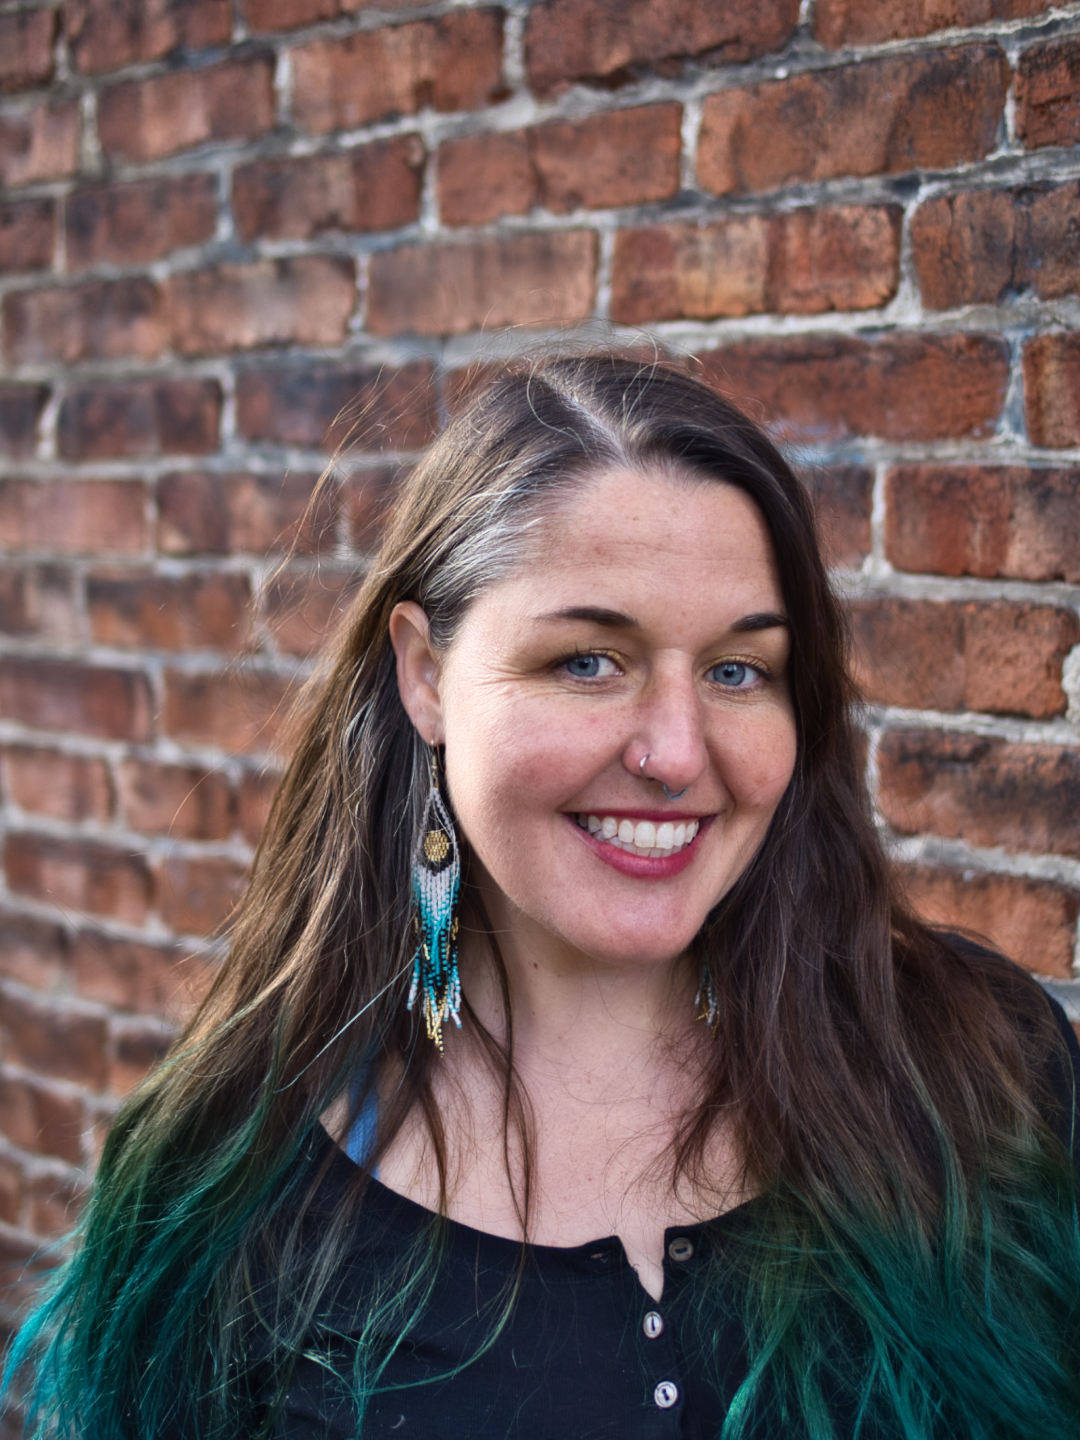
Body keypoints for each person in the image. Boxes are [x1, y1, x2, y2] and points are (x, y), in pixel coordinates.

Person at [7, 354, 1080, 1440]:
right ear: (426, 675)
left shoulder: (986, 1077)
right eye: (587, 662)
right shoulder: (231, 1188)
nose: (673, 753)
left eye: (736, 671)